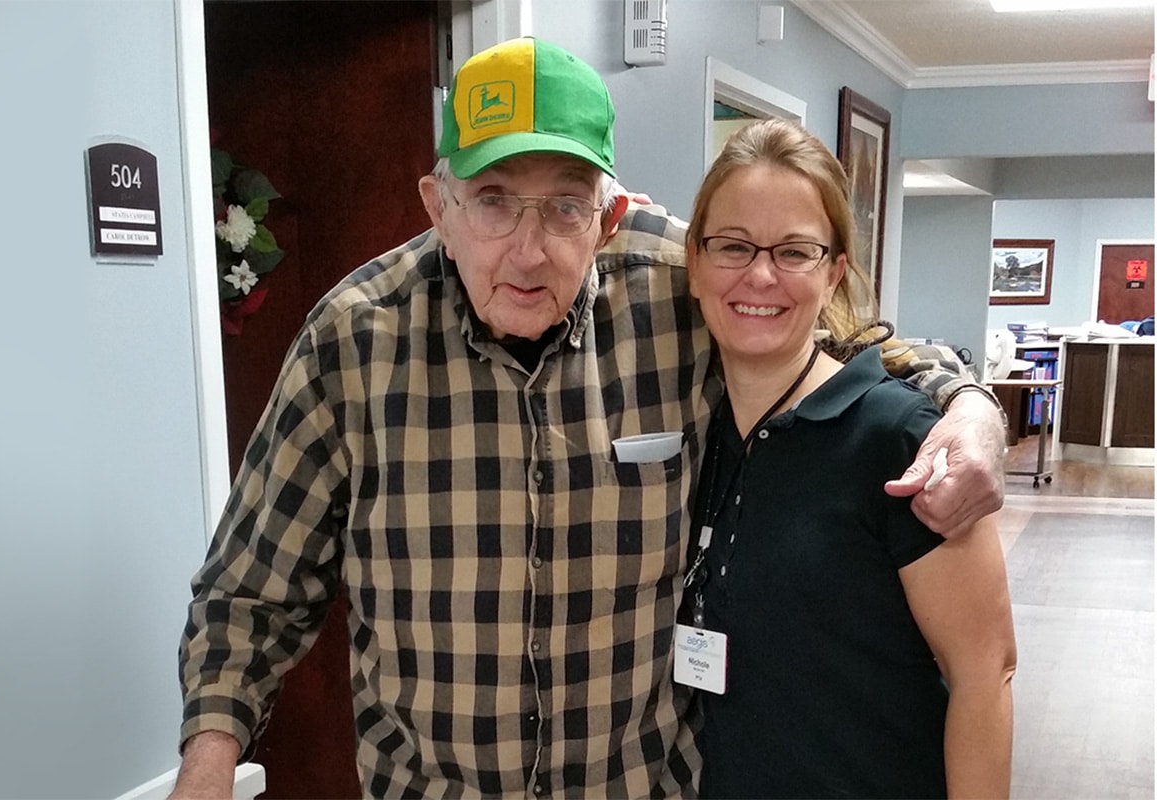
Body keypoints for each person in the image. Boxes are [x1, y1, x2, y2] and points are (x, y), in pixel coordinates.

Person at [173, 37, 1008, 799]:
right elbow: (249, 592)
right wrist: (208, 767)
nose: (529, 251)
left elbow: (837, 330)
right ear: (438, 206)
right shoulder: (352, 341)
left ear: (607, 216)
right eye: (494, 202)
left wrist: (973, 408)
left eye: (565, 207)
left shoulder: (678, 286)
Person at [681, 118, 1016, 799]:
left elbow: (987, 674)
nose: (761, 275)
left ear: (834, 272)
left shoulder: (899, 439)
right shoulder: (690, 432)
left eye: (795, 251)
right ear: (694, 261)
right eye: (733, 246)